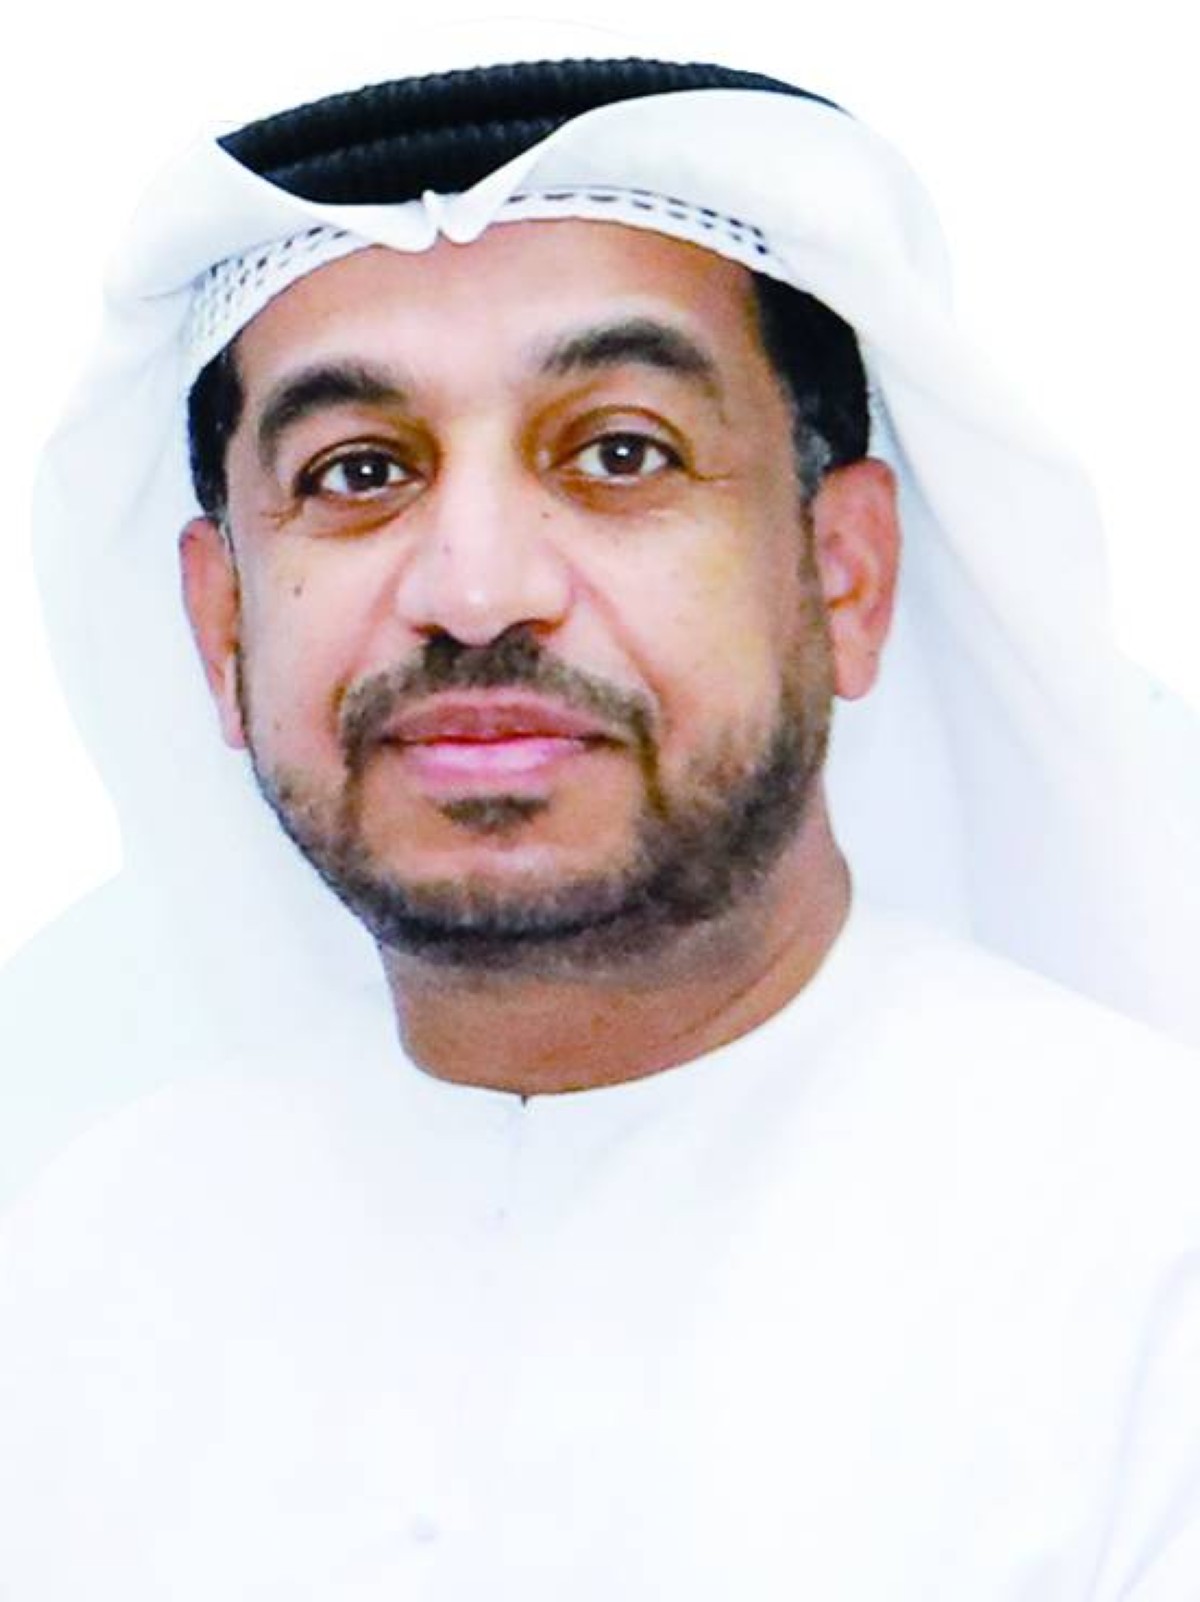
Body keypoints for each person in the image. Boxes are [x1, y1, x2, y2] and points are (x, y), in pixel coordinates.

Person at [1, 51, 1199, 1598]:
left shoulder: (1144, 1260)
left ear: (844, 575)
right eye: (359, 472)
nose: (476, 588)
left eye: (621, 452)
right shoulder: (76, 1278)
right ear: (221, 623)